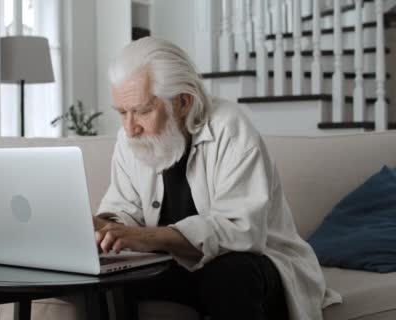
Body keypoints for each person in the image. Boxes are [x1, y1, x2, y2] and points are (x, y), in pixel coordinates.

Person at [92, 37, 341, 320]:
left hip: (257, 263)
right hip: (171, 266)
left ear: (183, 102)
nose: (130, 128)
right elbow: (123, 209)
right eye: (122, 112)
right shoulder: (129, 139)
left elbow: (241, 232)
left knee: (231, 273)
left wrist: (147, 237)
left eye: (142, 110)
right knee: (99, 282)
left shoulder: (230, 128)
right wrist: (104, 229)